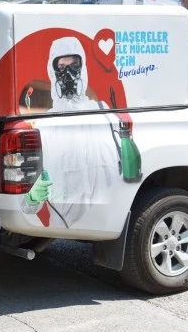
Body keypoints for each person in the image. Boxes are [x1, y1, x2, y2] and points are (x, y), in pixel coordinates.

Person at [21, 37, 121, 227]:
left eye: (73, 65)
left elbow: (122, 169)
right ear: (53, 73)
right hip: (64, 227)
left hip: (106, 222)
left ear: (82, 68)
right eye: (61, 67)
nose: (67, 73)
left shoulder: (103, 114)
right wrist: (31, 197)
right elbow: (25, 206)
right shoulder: (45, 127)